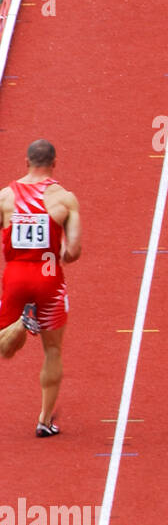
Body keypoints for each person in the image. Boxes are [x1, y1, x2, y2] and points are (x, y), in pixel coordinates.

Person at [0, 140, 82, 436]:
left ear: (26, 161)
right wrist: (60, 251)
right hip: (49, 279)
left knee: (4, 349)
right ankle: (45, 421)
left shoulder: (5, 197)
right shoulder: (65, 199)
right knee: (53, 350)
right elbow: (74, 251)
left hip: (15, 276)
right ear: (54, 163)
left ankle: (22, 324)